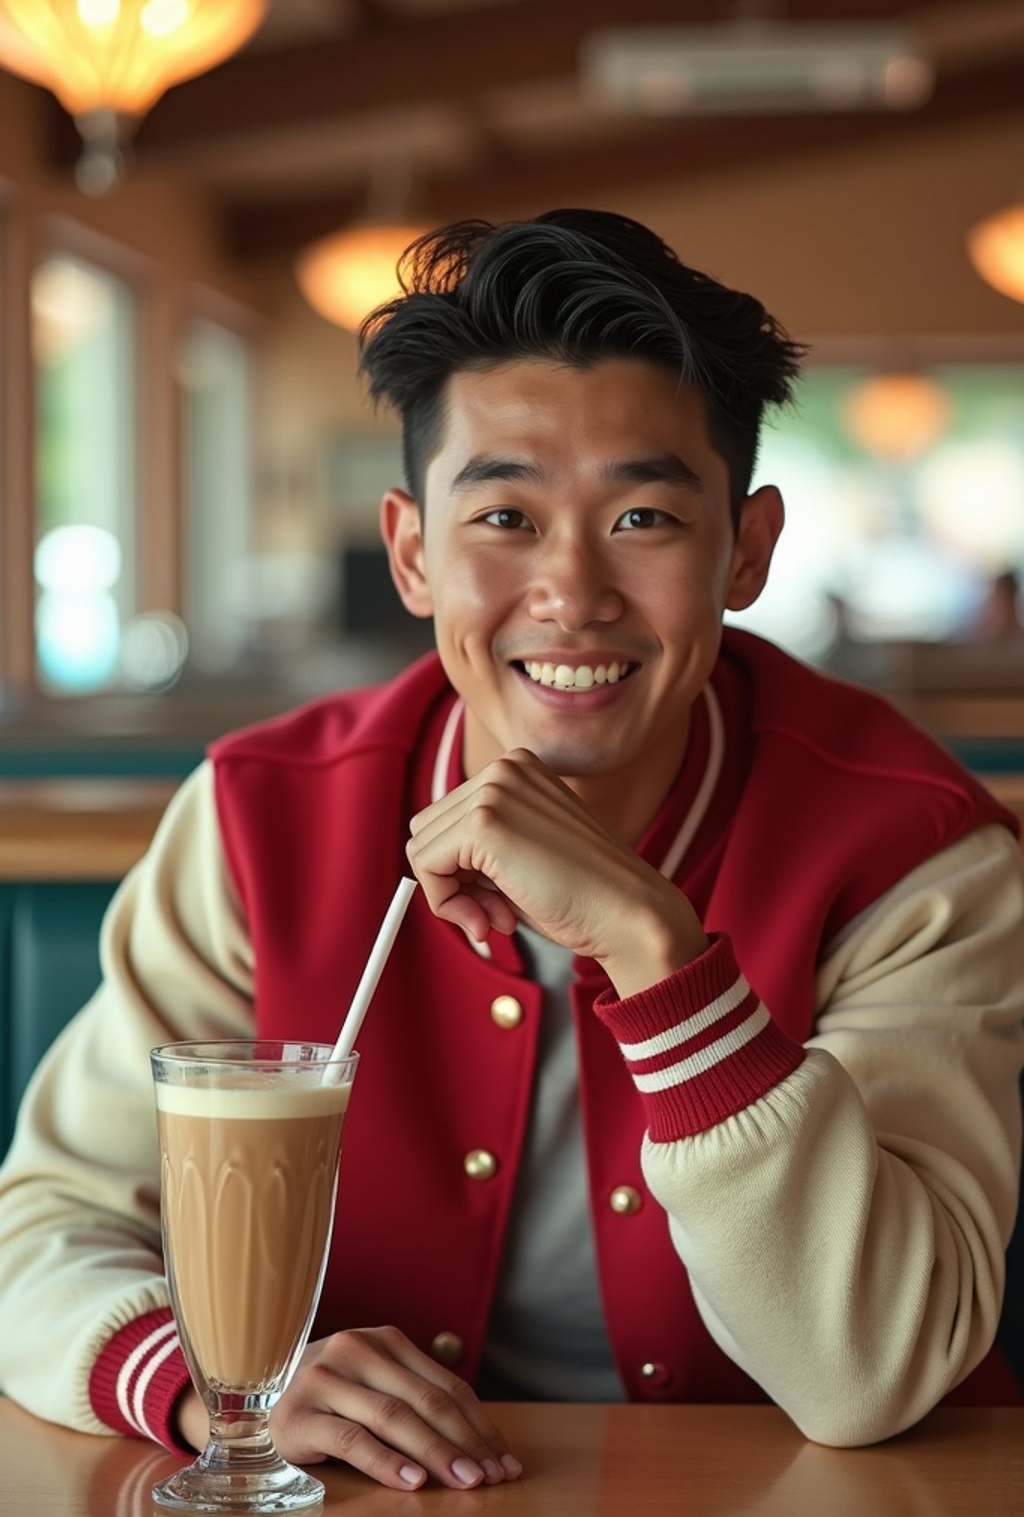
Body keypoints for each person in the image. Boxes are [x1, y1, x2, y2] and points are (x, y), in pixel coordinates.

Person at [1, 210, 1023, 1494]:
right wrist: (204, 1383)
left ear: (746, 550)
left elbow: (874, 1369)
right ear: (413, 552)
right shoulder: (264, 815)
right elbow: (44, 1224)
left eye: (644, 516)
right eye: (503, 518)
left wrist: (655, 955)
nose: (570, 591)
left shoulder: (914, 853)